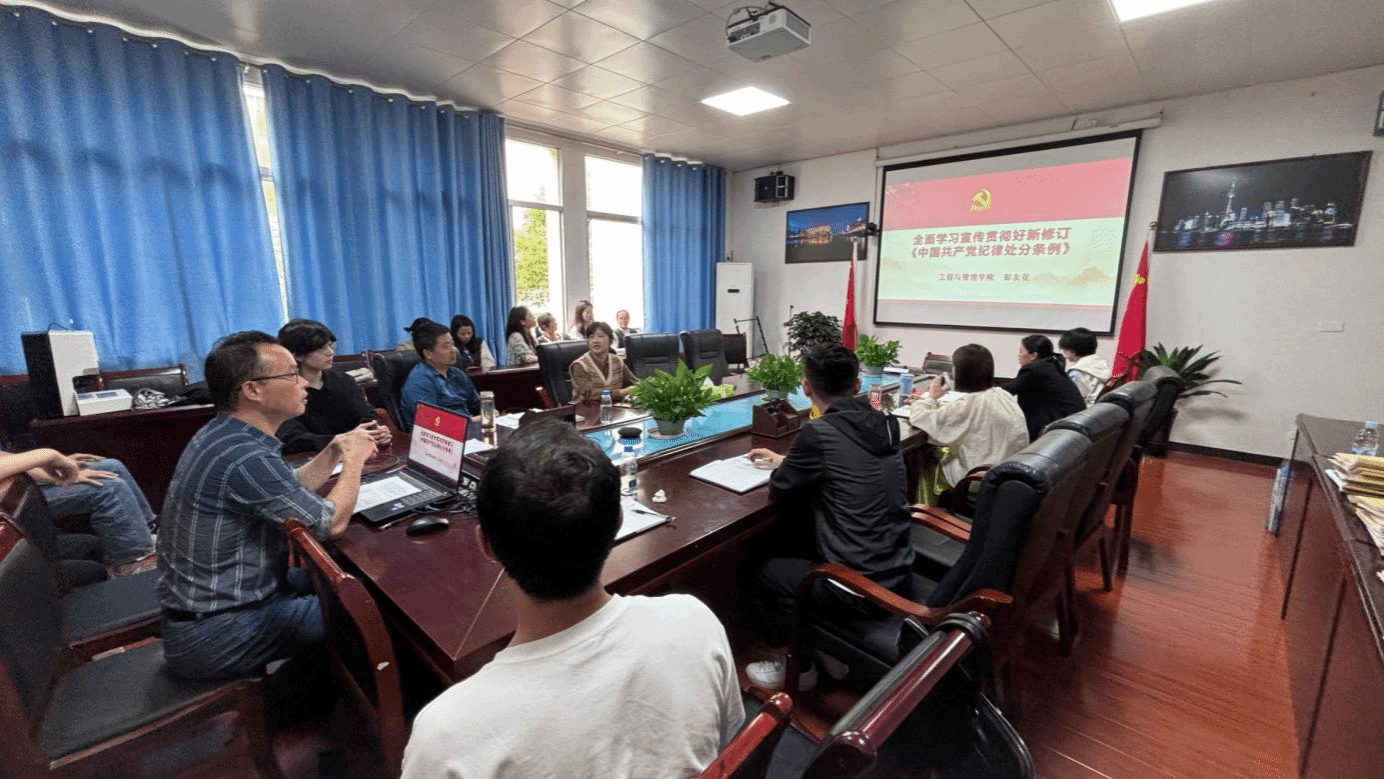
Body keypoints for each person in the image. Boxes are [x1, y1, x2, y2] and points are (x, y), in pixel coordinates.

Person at [401, 420, 743, 778]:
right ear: (618, 523)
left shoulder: (445, 736)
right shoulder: (694, 621)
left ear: (485, 544)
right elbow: (728, 749)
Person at [157, 331, 375, 686]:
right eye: (291, 375)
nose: (303, 382)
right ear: (252, 390)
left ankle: (316, 688)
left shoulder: (227, 434)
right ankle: (304, 709)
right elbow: (330, 524)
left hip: (218, 605)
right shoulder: (243, 457)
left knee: (343, 581)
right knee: (370, 612)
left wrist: (334, 449)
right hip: (217, 630)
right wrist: (353, 462)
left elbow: (286, 489)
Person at [743, 344, 914, 691]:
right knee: (799, 537)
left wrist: (789, 466)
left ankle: (798, 666)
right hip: (898, 566)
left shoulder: (817, 433)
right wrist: (789, 461)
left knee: (757, 566)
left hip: (855, 586)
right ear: (857, 386)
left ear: (806, 388)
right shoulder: (885, 421)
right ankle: (826, 649)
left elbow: (782, 491)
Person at [0, 447, 157, 576]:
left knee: (113, 467)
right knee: (108, 489)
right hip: (8, 505)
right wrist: (48, 457)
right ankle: (133, 565)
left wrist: (52, 465)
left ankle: (148, 535)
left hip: (15, 484)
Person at [906, 344, 1028, 501]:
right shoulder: (1002, 395)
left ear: (960, 373)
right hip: (1008, 478)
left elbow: (920, 419)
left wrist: (930, 398)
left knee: (927, 459)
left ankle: (924, 509)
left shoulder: (966, 406)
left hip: (978, 480)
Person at [275, 318, 391, 455]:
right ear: (298, 355)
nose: (331, 352)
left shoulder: (343, 381)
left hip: (357, 453)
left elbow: (368, 415)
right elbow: (293, 439)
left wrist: (378, 431)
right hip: (312, 460)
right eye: (322, 348)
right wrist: (343, 440)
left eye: (331, 346)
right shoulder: (282, 391)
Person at [400, 319, 482, 428]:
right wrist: (471, 421)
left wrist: (489, 411)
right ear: (428, 353)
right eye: (446, 346)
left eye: (453, 344)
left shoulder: (457, 374)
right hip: (437, 440)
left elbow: (477, 405)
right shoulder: (419, 382)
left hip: (468, 432)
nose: (453, 350)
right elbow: (431, 423)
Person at [1003, 335, 1087, 441]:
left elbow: (1006, 392)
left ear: (1033, 355)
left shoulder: (1034, 370)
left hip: (1056, 431)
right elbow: (1016, 383)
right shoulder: (1051, 364)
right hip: (1071, 425)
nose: (1018, 356)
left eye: (1021, 351)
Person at [568, 321, 638, 404]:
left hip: (616, 411)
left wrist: (646, 387)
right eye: (591, 337)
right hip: (586, 412)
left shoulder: (617, 361)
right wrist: (620, 393)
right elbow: (590, 395)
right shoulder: (580, 365)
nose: (595, 341)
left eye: (600, 336)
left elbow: (634, 382)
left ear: (610, 340)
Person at [1060, 327, 1112, 406]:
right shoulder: (1100, 363)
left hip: (1082, 412)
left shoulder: (1077, 372)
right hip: (1099, 410)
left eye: (1065, 350)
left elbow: (1069, 399)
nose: (1064, 353)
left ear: (1073, 351)